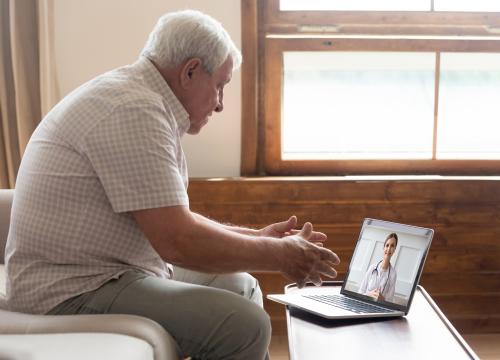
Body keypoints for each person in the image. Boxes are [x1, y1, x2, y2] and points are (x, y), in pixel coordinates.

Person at [4, 9, 340, 360]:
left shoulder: (137, 98)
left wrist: (258, 238)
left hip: (108, 270)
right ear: (190, 71)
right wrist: (280, 255)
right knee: (245, 324)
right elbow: (178, 241)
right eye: (221, 85)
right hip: (71, 290)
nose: (221, 103)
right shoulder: (133, 111)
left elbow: (176, 221)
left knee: (240, 286)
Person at [358, 233, 398, 302]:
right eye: (387, 245)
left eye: (392, 246)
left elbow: (390, 301)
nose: (388, 249)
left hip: (379, 308)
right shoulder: (372, 267)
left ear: (394, 250)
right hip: (365, 303)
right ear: (383, 247)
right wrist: (369, 294)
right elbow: (360, 292)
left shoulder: (393, 274)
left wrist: (382, 299)